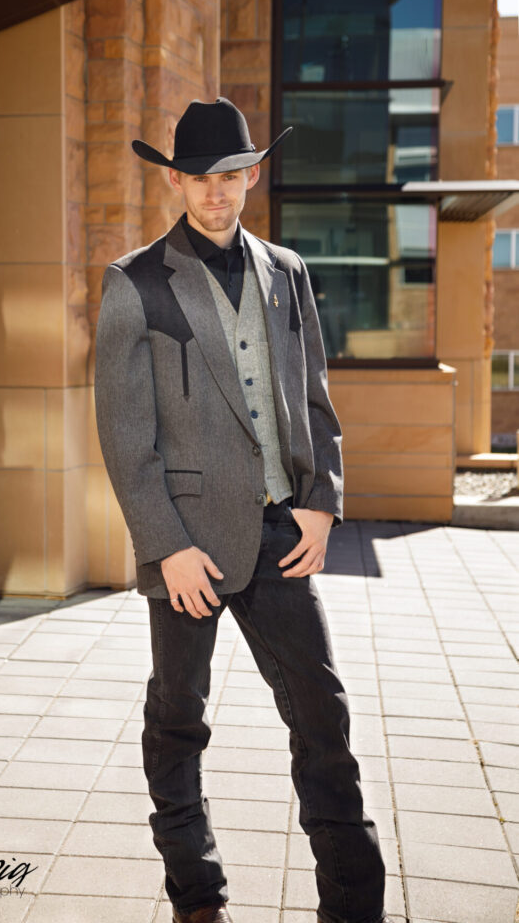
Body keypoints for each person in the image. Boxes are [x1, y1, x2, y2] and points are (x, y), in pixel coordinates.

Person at [93, 97, 392, 923]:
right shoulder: (136, 282)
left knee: (323, 721)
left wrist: (322, 506)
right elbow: (126, 436)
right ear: (176, 180)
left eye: (228, 175)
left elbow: (314, 399)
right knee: (177, 722)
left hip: (277, 532)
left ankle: (353, 908)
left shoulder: (287, 270)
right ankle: (198, 898)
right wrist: (166, 546)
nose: (213, 191)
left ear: (251, 176)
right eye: (196, 176)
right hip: (186, 544)